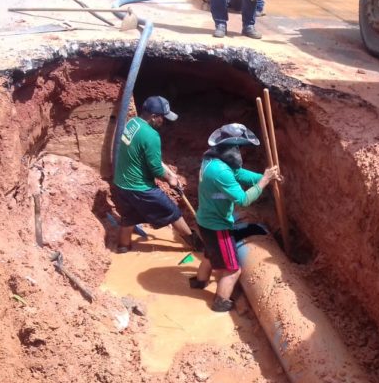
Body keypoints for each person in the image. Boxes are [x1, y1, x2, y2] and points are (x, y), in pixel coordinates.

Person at [190, 123, 281, 312]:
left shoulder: (213, 159)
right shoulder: (221, 171)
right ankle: (220, 302)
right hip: (217, 226)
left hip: (205, 219)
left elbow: (239, 173)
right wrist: (264, 181)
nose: (240, 152)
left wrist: (265, 177)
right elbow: (243, 199)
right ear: (229, 148)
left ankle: (199, 283)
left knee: (210, 255)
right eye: (237, 147)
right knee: (232, 268)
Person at [112, 95, 202, 253]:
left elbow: (144, 155)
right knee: (172, 212)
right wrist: (171, 180)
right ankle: (198, 246)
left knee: (129, 217)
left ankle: (123, 247)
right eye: (162, 118)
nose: (164, 121)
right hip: (138, 187)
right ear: (153, 117)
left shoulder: (132, 123)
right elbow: (155, 170)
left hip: (121, 183)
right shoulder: (152, 136)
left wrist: (169, 173)